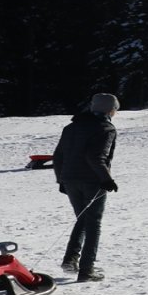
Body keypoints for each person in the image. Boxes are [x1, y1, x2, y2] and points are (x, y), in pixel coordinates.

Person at [54, 93, 120, 282]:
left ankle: (70, 260)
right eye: (115, 109)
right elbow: (96, 156)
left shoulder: (71, 127)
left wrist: (61, 180)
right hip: (92, 180)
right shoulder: (106, 128)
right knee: (93, 224)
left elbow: (58, 156)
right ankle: (86, 270)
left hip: (70, 179)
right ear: (110, 110)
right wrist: (106, 179)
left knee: (83, 218)